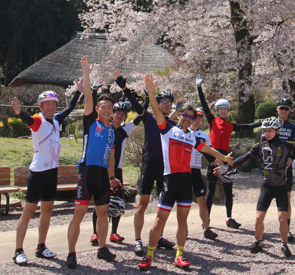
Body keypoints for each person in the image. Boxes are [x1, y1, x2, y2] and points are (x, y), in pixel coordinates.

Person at [138, 75, 233, 271]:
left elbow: (208, 150)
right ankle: (149, 255)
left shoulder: (192, 137)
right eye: (186, 116)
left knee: (183, 220)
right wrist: (152, 93)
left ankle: (179, 255)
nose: (189, 119)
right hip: (169, 181)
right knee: (160, 220)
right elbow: (156, 111)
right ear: (179, 114)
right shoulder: (167, 129)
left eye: (193, 117)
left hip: (186, 181)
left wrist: (225, 159)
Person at [10, 82, 82, 265]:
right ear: (40, 106)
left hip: (52, 172)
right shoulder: (38, 120)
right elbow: (28, 120)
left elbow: (71, 107)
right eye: (47, 104)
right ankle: (18, 250)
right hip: (37, 173)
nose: (51, 106)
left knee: (47, 211)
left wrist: (79, 91)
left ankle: (41, 246)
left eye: (53, 103)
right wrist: (19, 113)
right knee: (29, 212)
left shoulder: (57, 119)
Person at [220, 117, 295, 258]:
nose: (267, 133)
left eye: (270, 131)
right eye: (265, 131)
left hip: (281, 187)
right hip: (266, 187)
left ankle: (284, 244)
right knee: (258, 218)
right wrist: (225, 167)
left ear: (277, 131)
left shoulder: (286, 145)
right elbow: (243, 158)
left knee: (282, 218)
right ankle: (259, 242)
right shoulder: (259, 147)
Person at [66, 58, 122, 269]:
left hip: (102, 177)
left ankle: (102, 248)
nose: (107, 110)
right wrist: (87, 75)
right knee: (78, 214)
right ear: (97, 109)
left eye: (110, 108)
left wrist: (112, 176)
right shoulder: (91, 122)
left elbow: (110, 157)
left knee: (103, 214)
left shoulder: (112, 131)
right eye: (104, 107)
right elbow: (89, 97)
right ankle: (72, 253)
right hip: (87, 172)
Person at [115, 73, 177, 256]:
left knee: (163, 205)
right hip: (149, 164)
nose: (166, 103)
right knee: (142, 204)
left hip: (165, 167)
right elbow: (136, 105)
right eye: (163, 100)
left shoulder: (173, 124)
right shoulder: (149, 118)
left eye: (169, 101)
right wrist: (125, 89)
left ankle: (158, 237)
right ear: (157, 103)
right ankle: (137, 240)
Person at [196, 75, 261, 231]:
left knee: (228, 189)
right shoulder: (212, 120)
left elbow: (247, 126)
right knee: (211, 190)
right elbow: (205, 105)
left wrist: (262, 123)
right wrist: (199, 87)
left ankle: (229, 217)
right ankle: (207, 219)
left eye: (226, 109)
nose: (223, 111)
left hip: (227, 157)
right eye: (221, 109)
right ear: (217, 110)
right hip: (213, 156)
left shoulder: (231, 125)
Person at [90, 99, 139, 246]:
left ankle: (114, 232)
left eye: (123, 114)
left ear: (125, 117)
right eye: (117, 112)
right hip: (102, 168)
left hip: (117, 170)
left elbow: (141, 115)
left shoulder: (126, 130)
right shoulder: (105, 127)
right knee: (100, 201)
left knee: (117, 201)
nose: (119, 115)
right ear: (113, 113)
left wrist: (146, 98)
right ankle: (96, 233)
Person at [272, 98, 295, 242]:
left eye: (286, 108)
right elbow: (262, 143)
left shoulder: (294, 128)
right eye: (281, 108)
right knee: (266, 197)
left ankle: (287, 229)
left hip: (287, 167)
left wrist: (291, 158)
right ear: (277, 109)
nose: (283, 111)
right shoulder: (270, 124)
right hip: (271, 167)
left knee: (287, 198)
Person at [190, 108, 218, 240]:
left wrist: (220, 163)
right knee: (182, 202)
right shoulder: (182, 131)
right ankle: (182, 229)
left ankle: (207, 228)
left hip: (196, 169)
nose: (197, 119)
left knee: (202, 200)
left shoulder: (204, 136)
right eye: (195, 116)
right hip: (182, 170)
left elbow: (210, 153)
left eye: (200, 117)